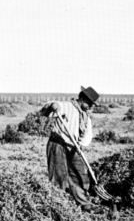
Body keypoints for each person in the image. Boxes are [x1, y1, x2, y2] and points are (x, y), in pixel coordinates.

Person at [41, 86, 104, 214]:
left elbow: (87, 135)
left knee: (80, 174)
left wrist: (81, 145)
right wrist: (53, 106)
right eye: (90, 103)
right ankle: (57, 207)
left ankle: (85, 204)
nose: (91, 106)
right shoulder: (67, 106)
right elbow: (52, 105)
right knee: (59, 176)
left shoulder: (86, 116)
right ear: (82, 99)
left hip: (74, 147)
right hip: (58, 144)